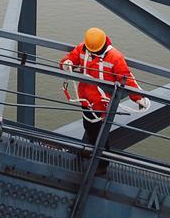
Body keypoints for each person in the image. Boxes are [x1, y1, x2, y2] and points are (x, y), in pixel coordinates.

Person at [60, 27, 149, 174]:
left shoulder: (115, 57)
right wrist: (67, 63)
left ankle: (102, 164)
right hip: (87, 100)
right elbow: (70, 59)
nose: (94, 53)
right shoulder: (83, 49)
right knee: (88, 126)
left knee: (99, 133)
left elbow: (126, 79)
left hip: (103, 104)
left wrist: (138, 98)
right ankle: (90, 150)